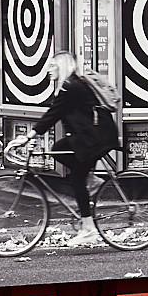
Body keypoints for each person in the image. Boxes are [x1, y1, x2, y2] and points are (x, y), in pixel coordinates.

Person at [29, 52, 119, 247]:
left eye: (52, 66)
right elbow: (56, 111)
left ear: (62, 67)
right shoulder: (72, 84)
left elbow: (53, 114)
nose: (48, 70)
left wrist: (29, 135)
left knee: (77, 179)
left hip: (95, 138)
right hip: (92, 135)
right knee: (58, 148)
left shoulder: (70, 86)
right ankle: (92, 180)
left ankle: (88, 228)